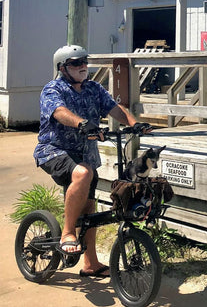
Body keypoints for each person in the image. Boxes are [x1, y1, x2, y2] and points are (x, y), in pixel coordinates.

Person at [34, 45, 151, 278]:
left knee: (88, 209)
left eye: (85, 62)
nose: (83, 67)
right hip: (54, 151)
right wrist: (81, 123)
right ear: (62, 67)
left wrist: (133, 124)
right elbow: (59, 112)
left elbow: (115, 108)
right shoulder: (52, 89)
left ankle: (91, 264)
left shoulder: (93, 88)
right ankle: (67, 232)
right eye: (76, 63)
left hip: (86, 155)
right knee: (82, 174)